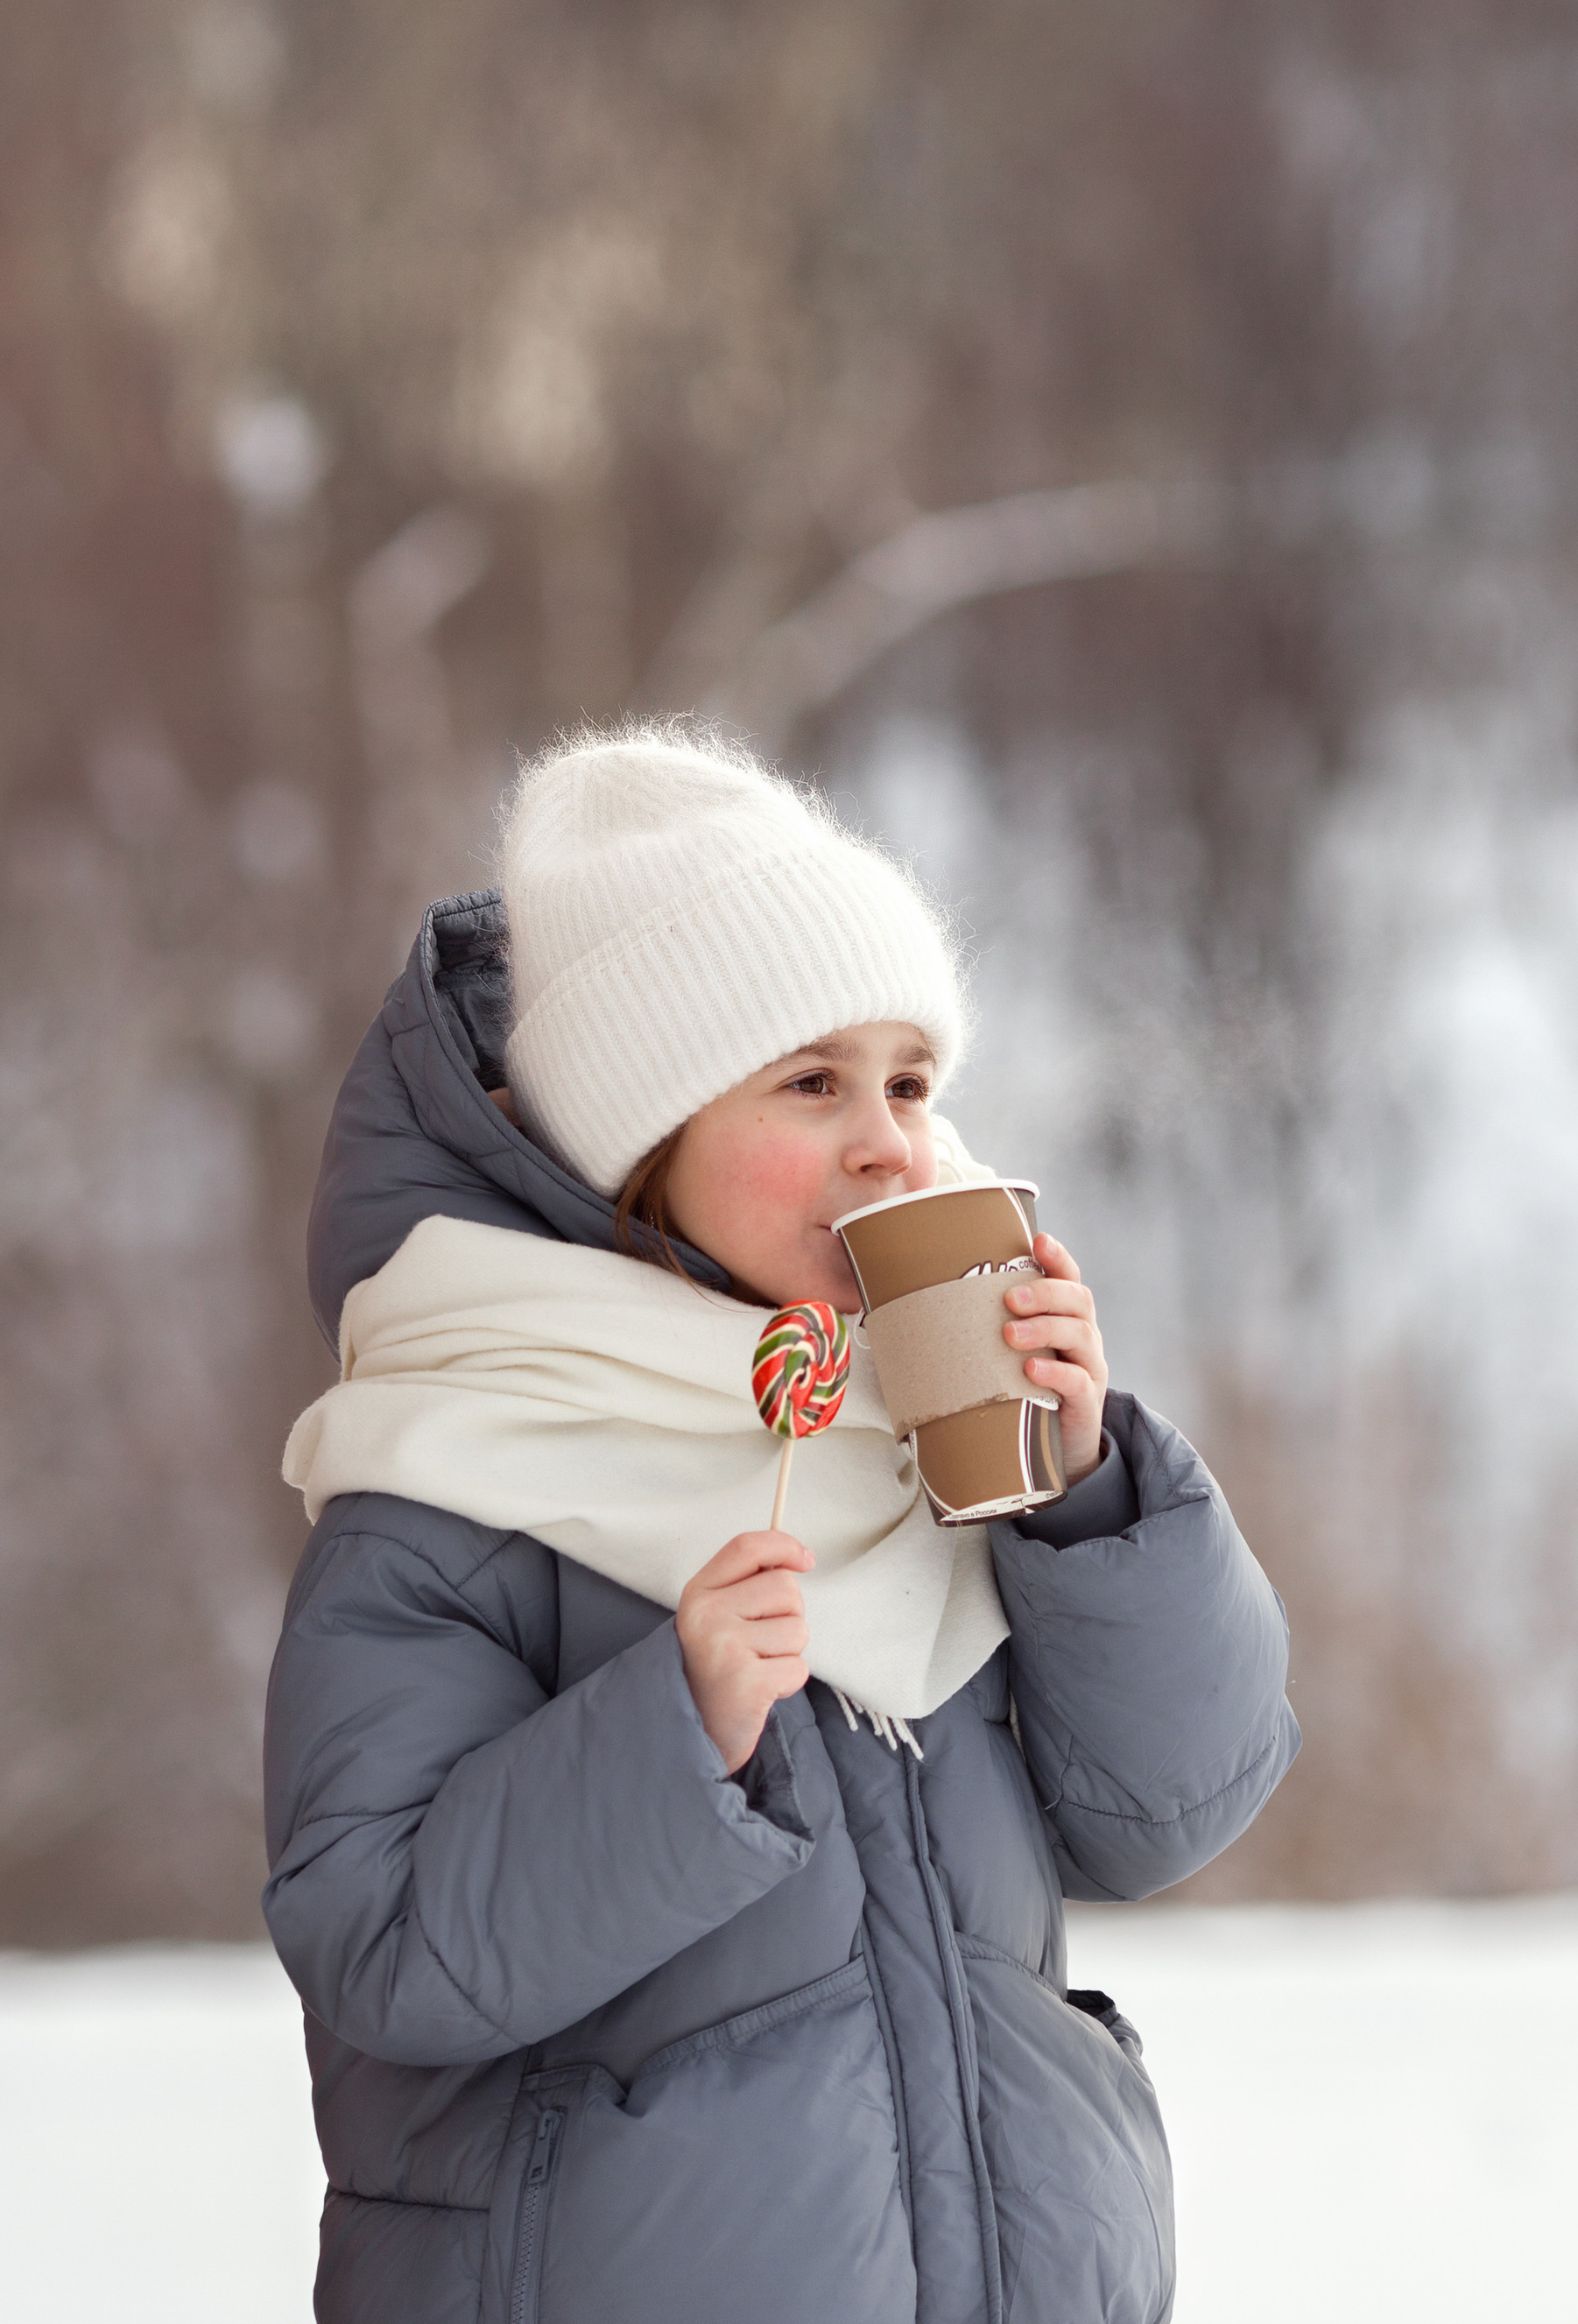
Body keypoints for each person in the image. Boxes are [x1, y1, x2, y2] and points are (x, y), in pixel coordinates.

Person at [263, 725, 1299, 2324]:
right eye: (811, 1083)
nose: (886, 1137)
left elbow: (1165, 1810)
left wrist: (1089, 1495)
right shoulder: (457, 1467)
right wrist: (675, 1734)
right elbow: (385, 1939)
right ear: (638, 1133)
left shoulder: (916, 1429)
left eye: (907, 1080)